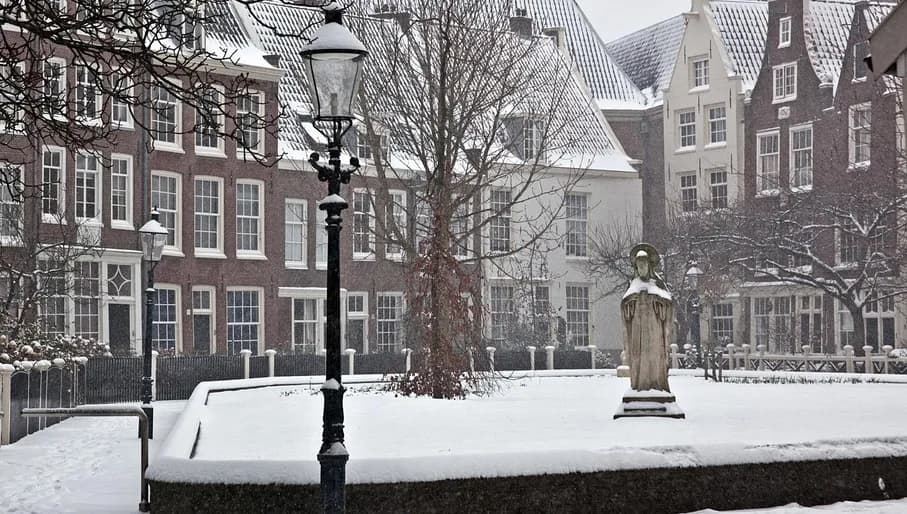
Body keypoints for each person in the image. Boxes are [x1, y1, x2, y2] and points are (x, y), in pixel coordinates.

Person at [621, 244, 674, 392]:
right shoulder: (633, 285)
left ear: (649, 265)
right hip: (637, 328)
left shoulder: (658, 284)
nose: (642, 267)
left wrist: (658, 301)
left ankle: (656, 383)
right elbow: (625, 307)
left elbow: (668, 303)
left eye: (644, 264)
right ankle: (640, 384)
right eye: (639, 265)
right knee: (638, 356)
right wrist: (631, 302)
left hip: (654, 328)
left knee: (655, 355)